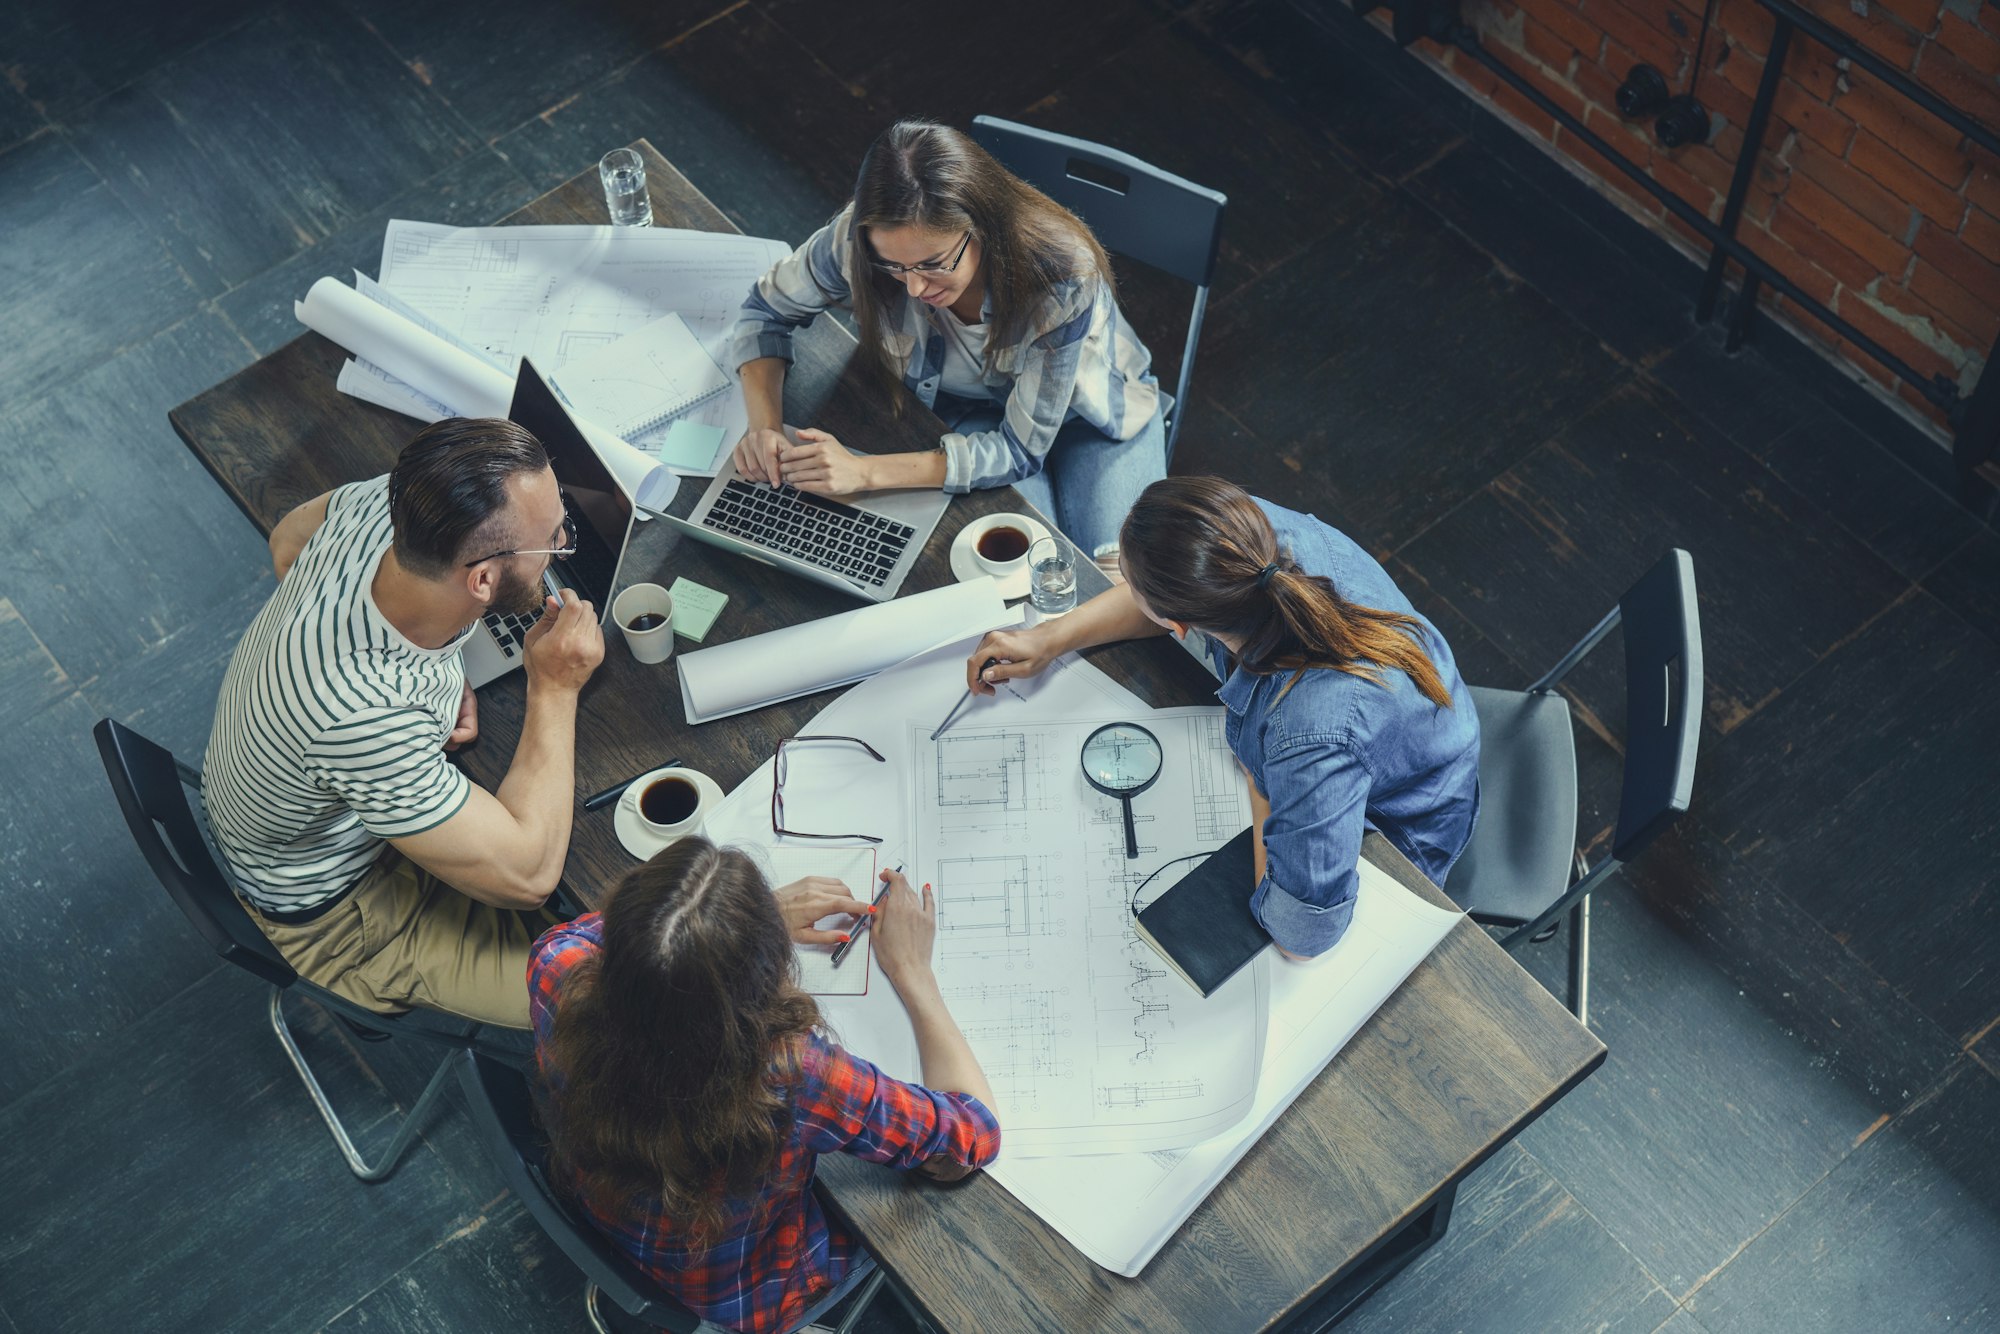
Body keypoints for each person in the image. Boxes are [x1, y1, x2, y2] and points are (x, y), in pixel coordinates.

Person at [964, 476, 1481, 958]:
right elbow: (1169, 595)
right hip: (1413, 709)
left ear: (1177, 625)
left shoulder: (1305, 737)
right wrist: (1049, 638)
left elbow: (1301, 936)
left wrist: (1261, 781)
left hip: (1405, 818)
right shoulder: (1250, 535)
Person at [201, 418, 605, 1030]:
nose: (563, 543)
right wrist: (554, 685)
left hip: (312, 810)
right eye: (553, 540)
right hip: (347, 911)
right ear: (482, 580)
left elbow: (287, 540)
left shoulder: (390, 507)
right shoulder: (357, 717)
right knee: (610, 1008)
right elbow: (527, 876)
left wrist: (433, 672)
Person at [529, 841, 1000, 1334]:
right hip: (748, 1294)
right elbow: (974, 1133)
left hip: (618, 1226)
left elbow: (622, 942)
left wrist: (713, 930)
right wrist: (913, 971)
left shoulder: (555, 964)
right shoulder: (787, 1071)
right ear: (768, 965)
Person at [727, 117, 1167, 565]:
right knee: (1028, 571)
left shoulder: (1063, 276)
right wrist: (764, 426)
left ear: (982, 226)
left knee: (1126, 576)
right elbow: (765, 311)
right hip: (971, 415)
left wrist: (863, 472)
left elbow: (1019, 450)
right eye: (894, 266)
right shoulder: (858, 240)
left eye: (933, 263)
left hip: (1090, 418)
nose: (914, 288)